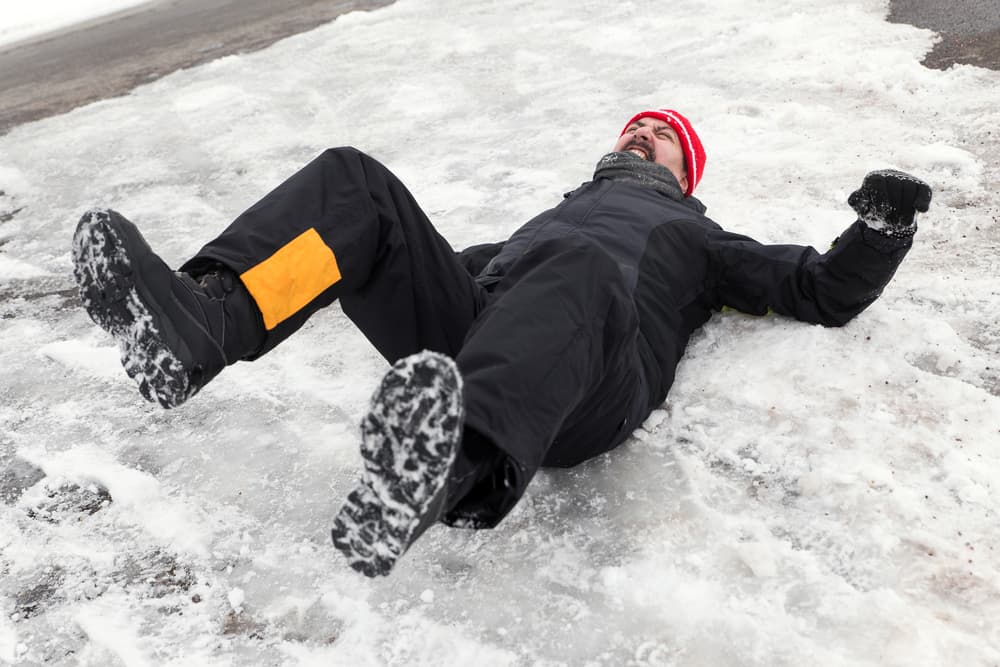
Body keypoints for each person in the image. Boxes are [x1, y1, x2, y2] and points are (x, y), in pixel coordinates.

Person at [71, 108, 932, 577]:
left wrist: (881, 228)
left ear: (684, 170)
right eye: (632, 126)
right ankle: (204, 325)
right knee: (357, 187)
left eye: (660, 133)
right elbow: (414, 263)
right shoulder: (548, 221)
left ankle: (451, 461)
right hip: (488, 337)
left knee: (583, 264)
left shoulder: (699, 237)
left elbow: (818, 289)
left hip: (595, 381)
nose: (639, 133)